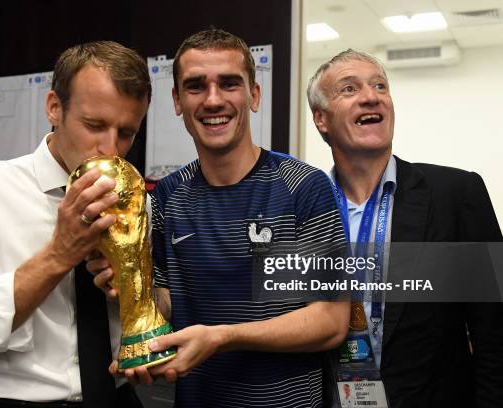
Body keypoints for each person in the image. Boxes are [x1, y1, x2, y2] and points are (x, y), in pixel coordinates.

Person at [95, 29, 350, 408]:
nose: (213, 100)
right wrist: (127, 285)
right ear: (177, 100)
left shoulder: (304, 187)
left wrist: (223, 337)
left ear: (254, 95)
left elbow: (331, 321)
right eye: (196, 86)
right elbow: (164, 303)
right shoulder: (166, 196)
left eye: (229, 84)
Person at [0, 41, 151, 408]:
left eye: (126, 132)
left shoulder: (138, 199)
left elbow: (143, 318)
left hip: (118, 398)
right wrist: (58, 256)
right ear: (54, 108)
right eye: (94, 125)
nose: (111, 149)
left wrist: (129, 293)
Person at [307, 49, 503, 407]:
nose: (371, 95)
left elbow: (494, 331)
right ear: (321, 119)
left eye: (380, 85)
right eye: (350, 89)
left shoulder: (456, 195)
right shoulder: (304, 207)